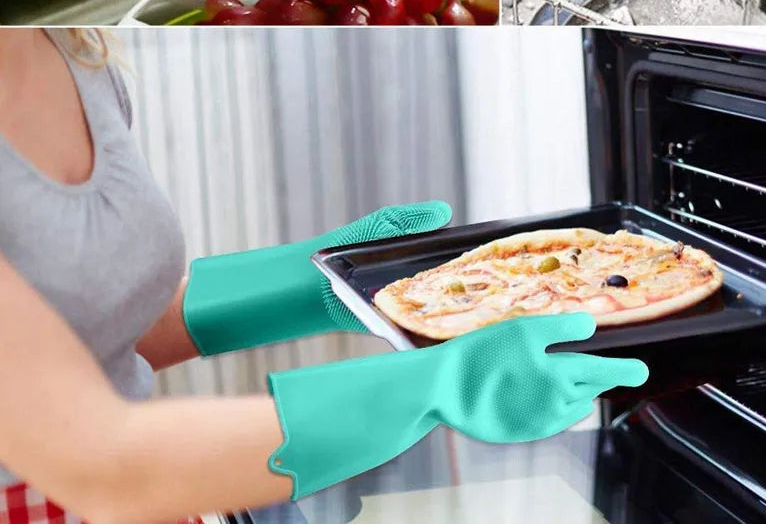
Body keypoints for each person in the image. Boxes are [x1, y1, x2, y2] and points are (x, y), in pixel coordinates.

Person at [0, 29, 647, 524]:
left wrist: (318, 280)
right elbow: (103, 465)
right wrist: (436, 385)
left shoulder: (74, 49)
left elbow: (92, 336)